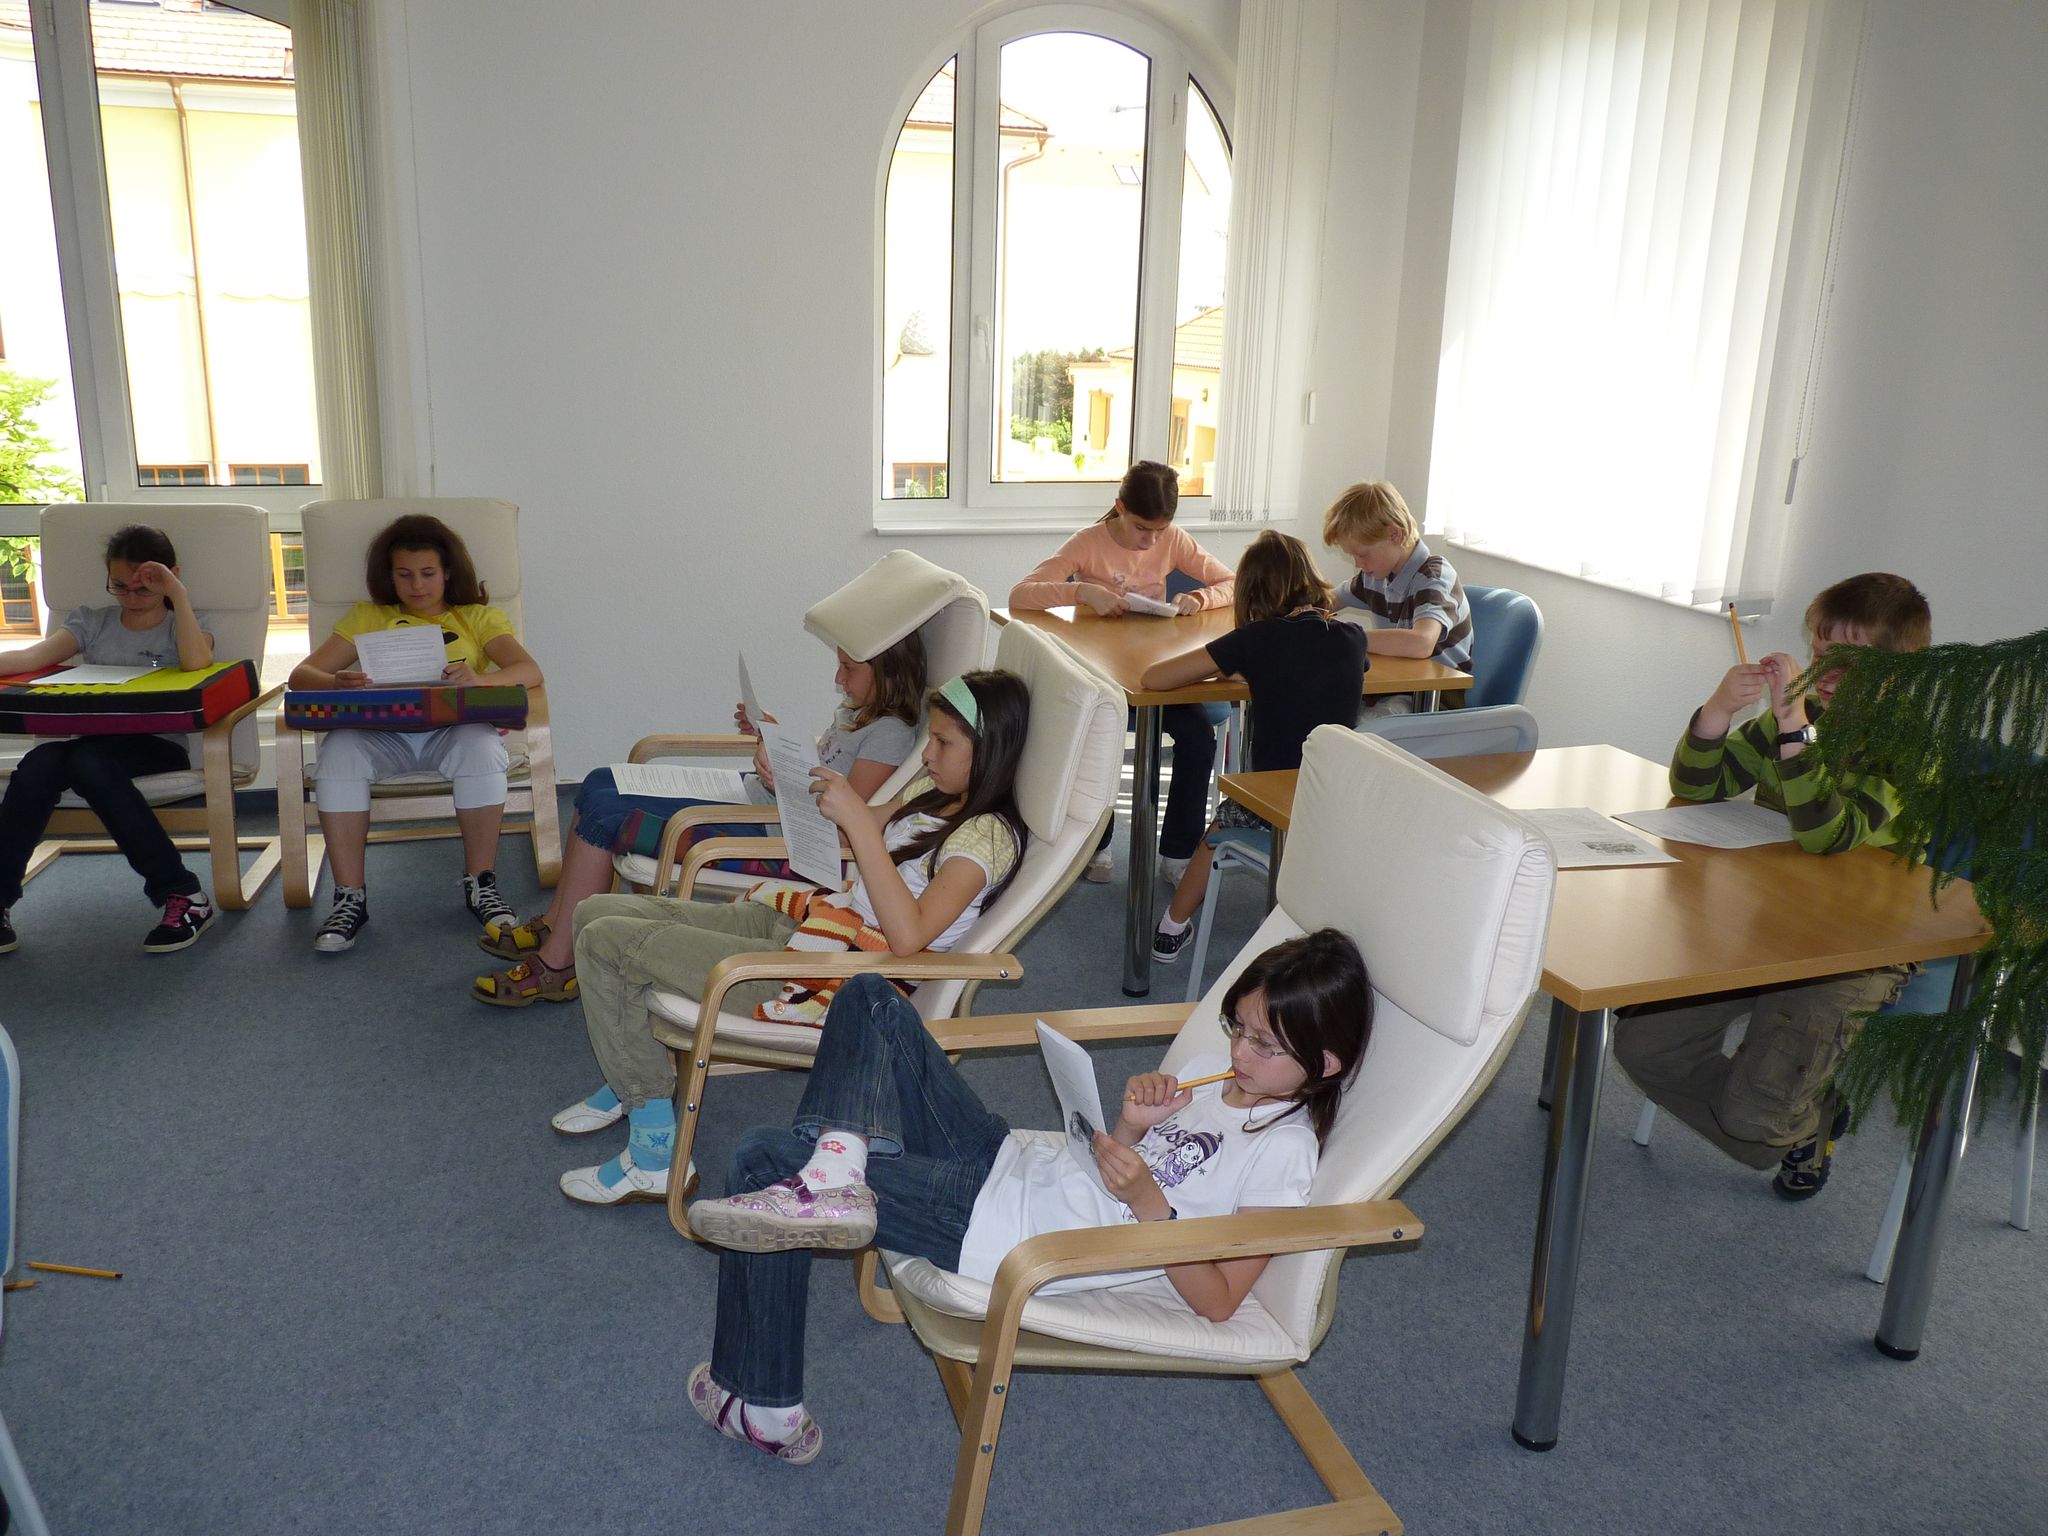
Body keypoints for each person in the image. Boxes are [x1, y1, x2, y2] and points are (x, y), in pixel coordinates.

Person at [681, 928, 1373, 1464]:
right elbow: (1118, 1168)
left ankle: (767, 1405)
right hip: (1011, 1160)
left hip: (1002, 1229)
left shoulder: (1284, 1153)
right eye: (1239, 1029)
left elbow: (1219, 1301)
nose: (1242, 1053)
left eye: (1266, 1046)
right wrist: (1130, 1127)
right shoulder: (1208, 1070)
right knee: (870, 998)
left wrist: (1150, 1205)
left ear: (1325, 1064)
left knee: (762, 1157)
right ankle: (835, 1177)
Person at [551, 670, 1030, 1208]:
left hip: (827, 977)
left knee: (606, 944)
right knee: (593, 913)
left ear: (988, 751)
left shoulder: (987, 838)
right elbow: (848, 829)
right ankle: (631, 1074)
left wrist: (862, 827)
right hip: (819, 924)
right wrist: (790, 780)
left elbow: (908, 935)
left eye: (942, 742)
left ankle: (655, 1156)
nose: (927, 754)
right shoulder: (937, 794)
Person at [1615, 572, 1934, 1200]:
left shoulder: (1910, 746)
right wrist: (1718, 711)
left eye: (1851, 659)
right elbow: (1696, 787)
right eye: (1821, 651)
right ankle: (1804, 1112)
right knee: (1642, 1047)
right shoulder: (1797, 719)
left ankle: (1789, 1112)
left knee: (1753, 1123)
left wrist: (1795, 728)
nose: (1828, 671)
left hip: (1855, 950)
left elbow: (1827, 833)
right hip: (1768, 926)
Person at [471, 632, 925, 1007]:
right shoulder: (860, 714)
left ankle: (558, 962)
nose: (838, 678)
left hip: (774, 838)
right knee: (598, 783)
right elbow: (823, 770)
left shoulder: (891, 733)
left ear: (888, 673)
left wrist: (782, 778)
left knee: (608, 816)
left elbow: (842, 823)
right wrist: (774, 740)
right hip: (762, 803)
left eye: (848, 668)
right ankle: (558, 922)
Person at [287, 514, 543, 954]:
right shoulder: (369, 616)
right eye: (404, 575)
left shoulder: (477, 617)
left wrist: (480, 680)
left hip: (454, 732)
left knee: (482, 746)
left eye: (428, 573)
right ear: (389, 576)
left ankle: (481, 883)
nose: (417, 585)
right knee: (339, 750)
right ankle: (350, 897)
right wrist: (336, 681)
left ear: (447, 573)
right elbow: (301, 675)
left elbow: (529, 670)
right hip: (380, 735)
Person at [1137, 531, 1370, 964]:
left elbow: (1155, 678)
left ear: (1252, 590)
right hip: (1337, 799)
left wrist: (1232, 670)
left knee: (1219, 827)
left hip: (1273, 802)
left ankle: (1170, 928)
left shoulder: (1256, 639)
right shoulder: (1353, 636)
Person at [1010, 460, 1233, 884]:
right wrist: (1082, 591)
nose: (1151, 541)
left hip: (1156, 677)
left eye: (1160, 531)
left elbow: (1234, 582)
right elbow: (1020, 595)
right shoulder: (1088, 542)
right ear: (1120, 508)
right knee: (1099, 734)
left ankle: (1177, 852)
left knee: (1199, 736)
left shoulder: (1173, 540)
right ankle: (1097, 843)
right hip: (1104, 679)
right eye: (1141, 529)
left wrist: (1201, 599)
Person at [0, 525, 218, 954]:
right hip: (90, 743)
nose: (131, 597)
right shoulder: (91, 621)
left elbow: (197, 663)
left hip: (157, 745)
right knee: (41, 762)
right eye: (120, 586)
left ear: (170, 577)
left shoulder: (184, 624)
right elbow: (30, 658)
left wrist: (178, 596)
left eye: (144, 588)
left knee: (87, 762)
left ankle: (184, 894)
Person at [1319, 481, 1472, 718]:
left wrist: (1350, 638)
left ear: (1395, 535)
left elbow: (1421, 643)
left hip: (1432, 700)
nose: (1358, 564)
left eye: (1362, 554)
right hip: (1394, 689)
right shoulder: (1375, 576)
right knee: (1318, 710)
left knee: (1353, 728)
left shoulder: (1434, 577)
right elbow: (1327, 601)